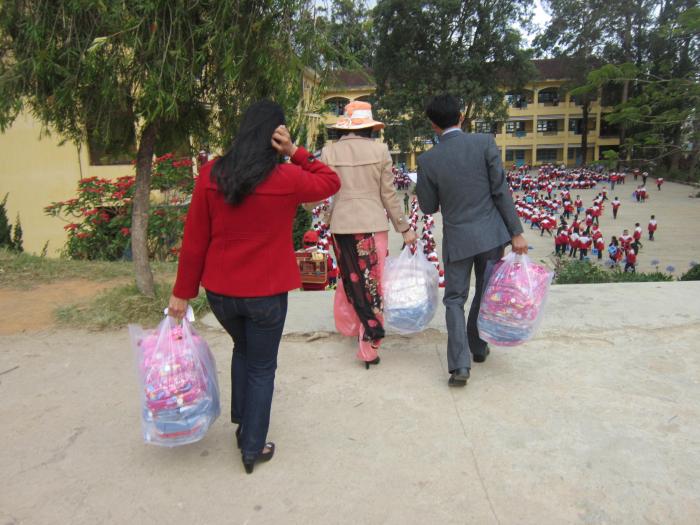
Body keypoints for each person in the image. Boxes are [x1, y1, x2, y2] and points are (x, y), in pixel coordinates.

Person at [168, 100, 340, 474]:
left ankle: (243, 424)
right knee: (262, 366)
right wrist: (295, 151)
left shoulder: (212, 174)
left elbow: (195, 239)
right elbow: (330, 181)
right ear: (276, 135)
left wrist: (182, 292)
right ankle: (253, 446)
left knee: (243, 349)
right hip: (266, 293)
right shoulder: (287, 178)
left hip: (222, 294)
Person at [416, 94, 527, 388]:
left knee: (455, 299)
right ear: (461, 117)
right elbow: (500, 190)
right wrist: (516, 232)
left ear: (433, 125)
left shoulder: (427, 160)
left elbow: (428, 207)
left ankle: (460, 365)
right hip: (491, 236)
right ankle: (477, 346)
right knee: (485, 291)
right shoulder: (484, 143)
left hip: (458, 240)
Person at [317, 101, 416, 369]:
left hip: (342, 227)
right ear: (370, 128)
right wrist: (404, 228)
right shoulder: (380, 150)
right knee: (373, 283)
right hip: (372, 226)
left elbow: (322, 193)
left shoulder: (329, 152)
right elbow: (389, 196)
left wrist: (323, 216)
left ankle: (353, 326)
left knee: (351, 279)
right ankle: (369, 343)